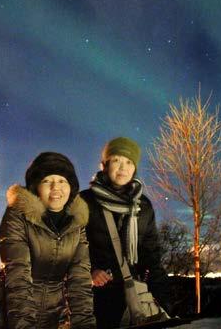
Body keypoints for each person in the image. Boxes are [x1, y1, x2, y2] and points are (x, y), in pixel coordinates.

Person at [0, 152, 95, 329]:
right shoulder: (18, 215)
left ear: (71, 187)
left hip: (53, 314)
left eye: (62, 181)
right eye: (46, 181)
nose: (55, 187)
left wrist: (85, 324)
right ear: (36, 187)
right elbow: (18, 275)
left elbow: (80, 278)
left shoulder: (76, 222)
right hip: (12, 315)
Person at [80, 137, 170, 328]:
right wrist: (90, 271)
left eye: (129, 162)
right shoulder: (84, 202)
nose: (123, 167)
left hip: (134, 296)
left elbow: (152, 255)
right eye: (116, 160)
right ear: (104, 165)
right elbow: (71, 247)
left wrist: (164, 302)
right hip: (95, 298)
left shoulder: (142, 206)